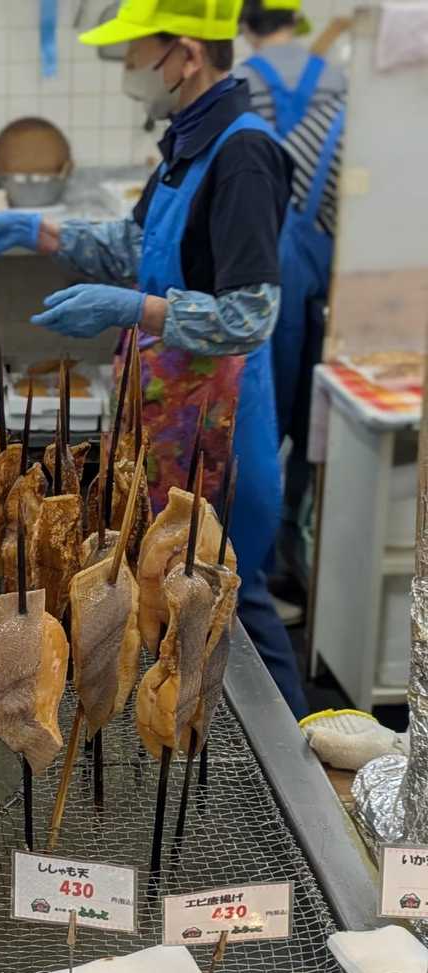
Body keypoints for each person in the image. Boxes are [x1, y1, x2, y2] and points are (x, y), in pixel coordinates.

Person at [0, 0, 308, 717]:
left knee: (227, 604)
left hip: (216, 425)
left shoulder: (244, 155)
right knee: (169, 596)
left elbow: (250, 315)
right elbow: (136, 245)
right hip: (165, 416)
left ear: (186, 54)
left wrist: (133, 309)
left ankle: (299, 761)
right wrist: (42, 231)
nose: (126, 70)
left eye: (133, 55)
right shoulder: (189, 142)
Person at [238, 0, 345, 586]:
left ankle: (251, 564)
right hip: (324, 265)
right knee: (312, 420)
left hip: (261, 258)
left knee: (261, 419)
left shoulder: (241, 83)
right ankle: (292, 559)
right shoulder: (340, 84)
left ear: (244, 26)